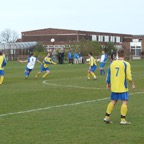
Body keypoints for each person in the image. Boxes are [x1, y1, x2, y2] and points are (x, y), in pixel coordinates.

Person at [104, 48, 135, 125]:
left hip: (114, 87)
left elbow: (109, 75)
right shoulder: (126, 64)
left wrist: (108, 84)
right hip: (122, 87)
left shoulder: (112, 63)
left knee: (113, 101)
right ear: (124, 54)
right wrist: (132, 84)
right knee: (124, 102)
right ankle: (123, 120)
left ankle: (106, 117)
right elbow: (129, 76)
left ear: (117, 54)